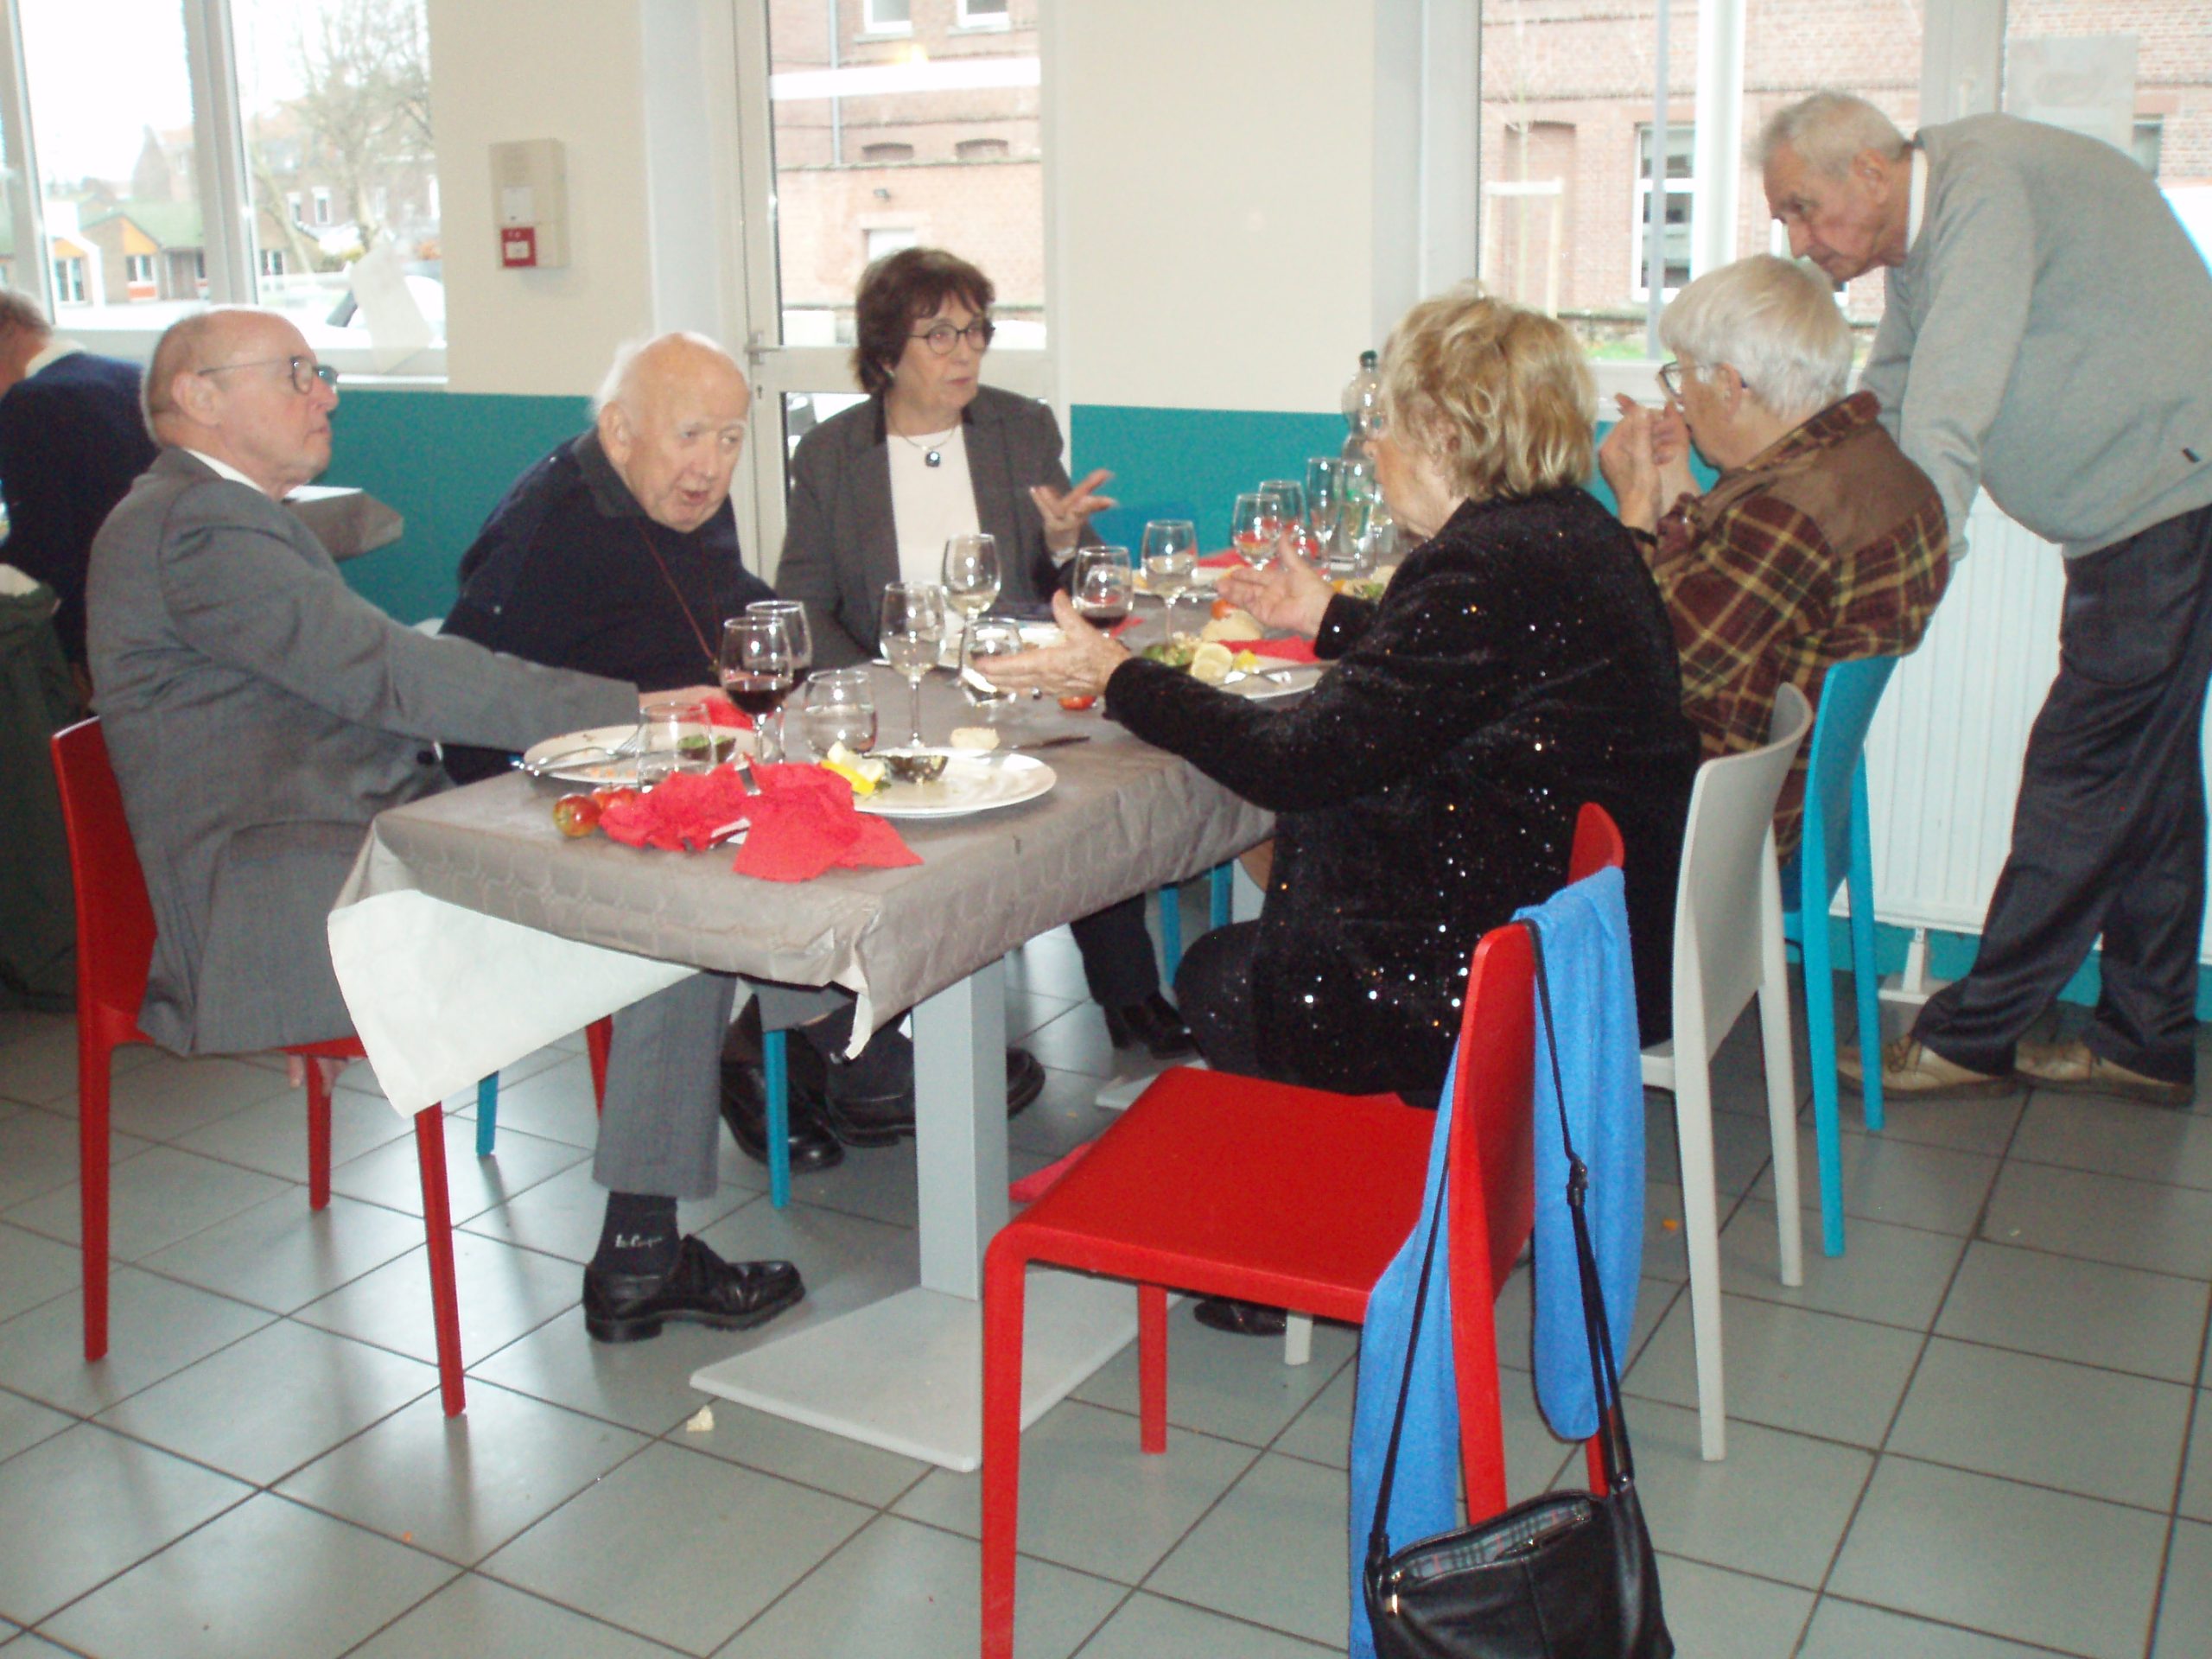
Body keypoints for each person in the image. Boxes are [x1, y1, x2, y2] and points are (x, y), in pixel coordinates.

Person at [984, 288, 1700, 1333]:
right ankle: (1357, 1198)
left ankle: (1337, 1227)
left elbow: (1294, 762)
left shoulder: (1477, 565)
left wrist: (1120, 677)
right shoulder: (1566, 531)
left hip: (1497, 966)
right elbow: (1461, 671)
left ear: (1445, 435)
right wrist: (1327, 615)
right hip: (1572, 924)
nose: (1371, 448)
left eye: (1385, 425)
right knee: (1255, 944)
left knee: (1224, 978)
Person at [86, 307, 803, 1344]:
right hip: (298, 898)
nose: (326, 393)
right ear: (200, 396)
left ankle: (811, 1065)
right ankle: (648, 1244)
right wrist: (628, 709)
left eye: (322, 371)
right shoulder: (197, 527)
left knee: (669, 861)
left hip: (332, 849)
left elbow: (355, 678)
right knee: (676, 913)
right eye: (296, 373)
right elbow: (387, 673)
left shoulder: (210, 516)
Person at [443, 330, 1046, 1173]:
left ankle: (795, 1048)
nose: (711, 466)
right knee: (764, 844)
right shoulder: (547, 526)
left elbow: (733, 610)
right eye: (690, 435)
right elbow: (464, 696)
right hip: (551, 794)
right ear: (619, 431)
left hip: (688, 762)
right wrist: (635, 718)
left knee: (836, 800)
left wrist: (848, 668)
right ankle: (829, 1044)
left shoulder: (682, 494)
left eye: (730, 439)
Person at [1760, 92, 2212, 1106]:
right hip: (2146, 511)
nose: (1794, 239)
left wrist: (1912, 573)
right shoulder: (1923, 234)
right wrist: (1808, 502)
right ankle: (2147, 1036)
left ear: (1868, 173)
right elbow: (1891, 393)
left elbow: (1949, 406)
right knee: (2146, 782)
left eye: (1799, 208)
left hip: (2171, 502)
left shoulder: (1982, 195)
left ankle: (1974, 1035)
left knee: (2081, 774)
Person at [775, 245, 1194, 1062]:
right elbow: (806, 601)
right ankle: (917, 1026)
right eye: (940, 334)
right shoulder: (830, 455)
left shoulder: (1019, 428)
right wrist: (881, 685)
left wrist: (1065, 542)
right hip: (898, 691)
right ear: (886, 353)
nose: (965, 352)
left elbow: (1074, 586)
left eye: (976, 331)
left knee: (1084, 801)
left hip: (1016, 680)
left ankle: (1127, 988)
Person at [1597, 252, 1949, 858]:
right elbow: (1732, 597)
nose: (1679, 402)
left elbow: (1636, 672)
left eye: (1682, 378)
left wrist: (1634, 509)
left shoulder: (1788, 517)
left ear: (1729, 385)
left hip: (1725, 823)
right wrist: (1679, 485)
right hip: (1807, 804)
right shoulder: (1872, 463)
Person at [0, 289, 158, 677]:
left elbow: (43, 546)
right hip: (156, 604)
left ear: (9, 331)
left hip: (91, 632)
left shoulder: (29, 402)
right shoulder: (130, 374)